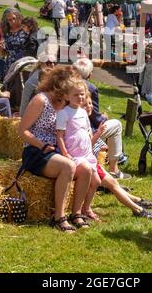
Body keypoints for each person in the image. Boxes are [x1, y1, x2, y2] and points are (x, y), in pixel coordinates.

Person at [18, 65, 93, 233]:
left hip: (58, 151)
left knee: (86, 169)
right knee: (68, 166)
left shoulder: (67, 103)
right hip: (37, 152)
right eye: (71, 83)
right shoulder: (41, 100)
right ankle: (59, 217)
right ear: (60, 84)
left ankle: (77, 213)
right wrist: (41, 145)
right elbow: (22, 130)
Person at [82, 95, 152, 220]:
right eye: (85, 105)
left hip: (90, 161)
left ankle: (136, 202)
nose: (90, 106)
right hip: (87, 162)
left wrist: (99, 140)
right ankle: (138, 209)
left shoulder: (85, 120)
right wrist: (99, 135)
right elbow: (85, 145)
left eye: (90, 103)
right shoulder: (80, 122)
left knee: (113, 183)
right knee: (112, 183)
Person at [73, 58, 130, 179]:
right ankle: (114, 169)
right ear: (90, 74)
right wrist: (103, 117)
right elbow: (93, 116)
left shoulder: (67, 84)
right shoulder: (90, 87)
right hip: (86, 130)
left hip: (72, 130)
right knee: (117, 125)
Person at [56, 79, 100, 227]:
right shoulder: (64, 113)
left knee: (97, 182)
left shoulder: (83, 112)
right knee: (87, 172)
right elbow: (60, 136)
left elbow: (87, 132)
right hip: (74, 154)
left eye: (82, 94)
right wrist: (65, 153)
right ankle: (77, 212)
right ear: (67, 96)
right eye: (76, 95)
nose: (80, 97)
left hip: (86, 154)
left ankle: (84, 208)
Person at [0, 8, 28, 76]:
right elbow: (3, 54)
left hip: (25, 63)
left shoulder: (25, 29)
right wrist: (0, 48)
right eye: (9, 20)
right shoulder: (6, 32)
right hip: (10, 65)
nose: (13, 21)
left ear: (18, 17)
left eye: (14, 18)